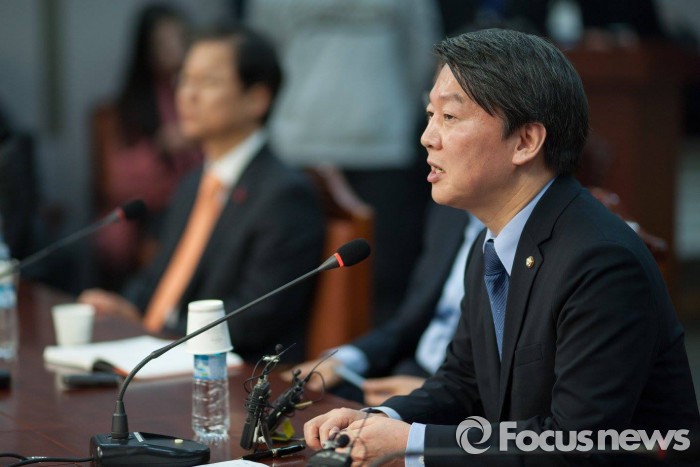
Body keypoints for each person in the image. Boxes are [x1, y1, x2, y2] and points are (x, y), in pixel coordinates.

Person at [304, 29, 699, 465]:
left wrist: (410, 440)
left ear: (525, 142)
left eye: (449, 117)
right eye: (430, 114)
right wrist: (379, 419)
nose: (428, 137)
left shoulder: (600, 262)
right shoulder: (492, 244)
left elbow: (576, 445)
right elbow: (462, 383)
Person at [80, 24, 325, 364]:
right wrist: (124, 307)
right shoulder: (193, 182)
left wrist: (158, 333)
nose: (187, 95)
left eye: (208, 82)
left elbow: (255, 317)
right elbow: (159, 276)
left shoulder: (284, 194)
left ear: (257, 99)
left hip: (229, 374)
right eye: (184, 79)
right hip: (160, 356)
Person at [246, 0, 441, 325]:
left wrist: (396, 113)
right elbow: (260, 54)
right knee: (292, 278)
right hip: (300, 146)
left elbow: (426, 55)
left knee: (385, 280)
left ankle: (372, 355)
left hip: (381, 148)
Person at [290, 204, 483, 406]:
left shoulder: (503, 246)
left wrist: (434, 392)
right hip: (410, 374)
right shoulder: (451, 213)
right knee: (304, 399)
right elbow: (409, 321)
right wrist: (342, 361)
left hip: (465, 400)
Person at [93, 4, 202, 289]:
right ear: (146, 49)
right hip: (154, 212)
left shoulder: (199, 96)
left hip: (199, 202)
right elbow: (117, 183)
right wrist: (161, 149)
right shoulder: (127, 107)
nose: (174, 50)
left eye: (179, 39)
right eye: (162, 43)